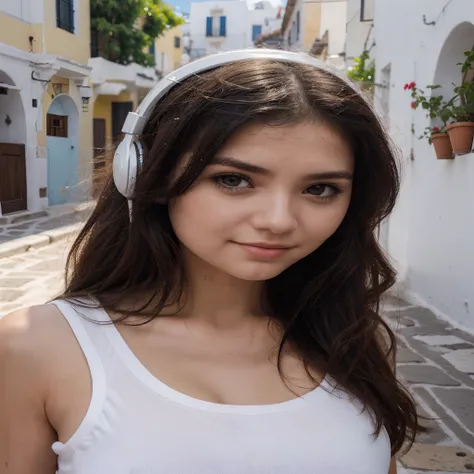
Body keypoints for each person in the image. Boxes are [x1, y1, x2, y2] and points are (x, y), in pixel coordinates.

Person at [0, 49, 424, 473]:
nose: (278, 221)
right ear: (148, 175)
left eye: (320, 189)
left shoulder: (353, 339)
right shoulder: (37, 347)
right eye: (233, 180)